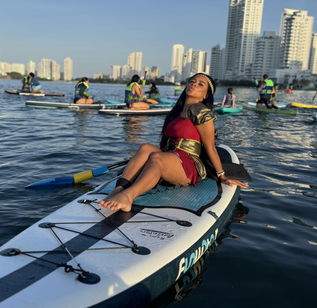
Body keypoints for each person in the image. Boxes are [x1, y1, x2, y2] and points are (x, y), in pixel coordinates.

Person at [99, 73, 247, 212]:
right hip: (170, 156)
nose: (194, 84)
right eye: (192, 81)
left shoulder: (201, 112)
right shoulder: (177, 112)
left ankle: (128, 196)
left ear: (205, 95)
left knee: (157, 158)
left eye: (200, 84)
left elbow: (210, 147)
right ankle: (118, 190)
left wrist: (221, 175)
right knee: (145, 148)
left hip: (188, 164)